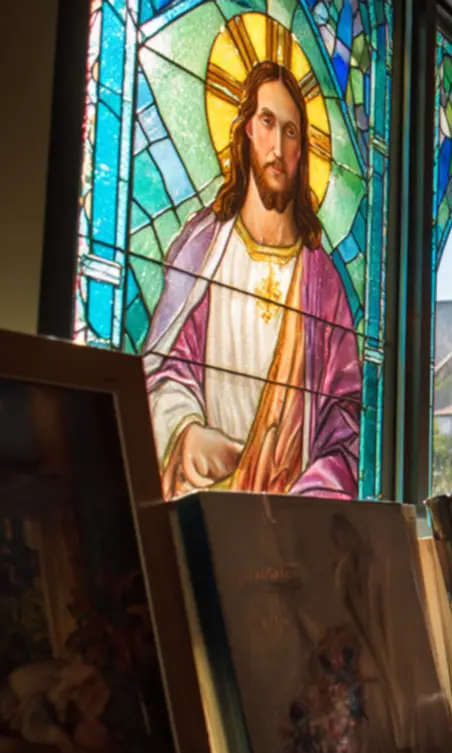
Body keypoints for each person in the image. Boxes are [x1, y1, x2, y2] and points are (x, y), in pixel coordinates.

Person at [142, 60, 361, 500]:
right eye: (267, 122)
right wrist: (186, 434)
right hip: (206, 509)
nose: (278, 145)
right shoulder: (205, 250)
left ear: (303, 150)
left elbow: (345, 421)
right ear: (246, 131)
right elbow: (166, 369)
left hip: (290, 533)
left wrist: (311, 500)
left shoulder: (323, 283)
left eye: (292, 130)